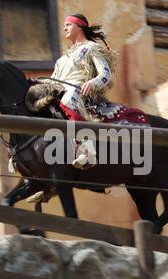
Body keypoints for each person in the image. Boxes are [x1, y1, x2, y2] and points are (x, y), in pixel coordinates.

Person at [34, 13, 115, 170]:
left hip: (78, 91)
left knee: (68, 99)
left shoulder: (91, 48)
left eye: (68, 25)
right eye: (65, 25)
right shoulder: (63, 59)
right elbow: (52, 81)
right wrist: (36, 83)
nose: (64, 28)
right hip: (59, 90)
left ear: (80, 27)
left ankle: (88, 150)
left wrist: (92, 83)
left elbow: (105, 74)